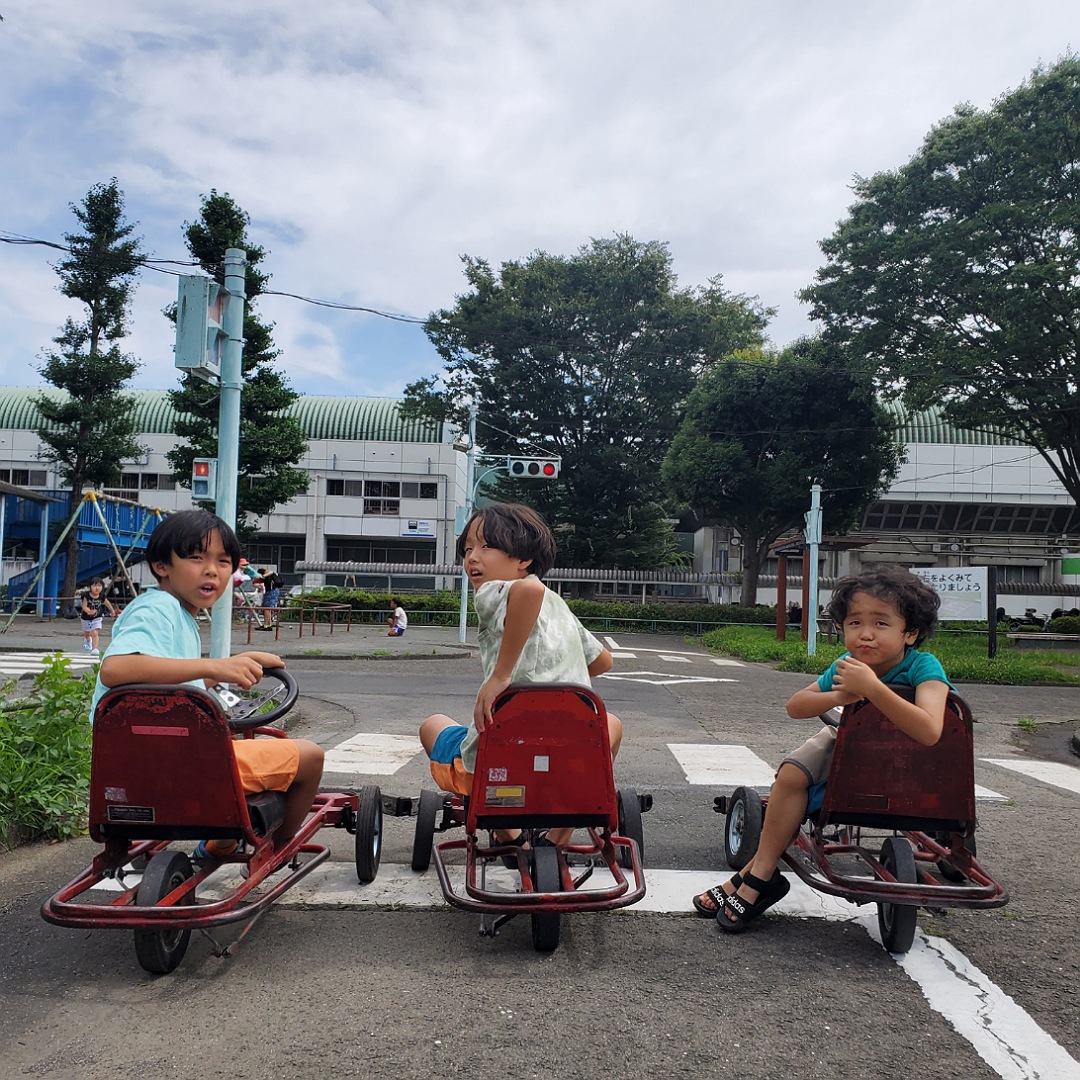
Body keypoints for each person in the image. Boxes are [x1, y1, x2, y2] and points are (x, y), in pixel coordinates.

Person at [692, 564, 951, 932]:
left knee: (797, 781)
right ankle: (762, 872)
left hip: (910, 762)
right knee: (792, 773)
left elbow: (928, 730)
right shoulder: (847, 666)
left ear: (909, 633)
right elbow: (796, 706)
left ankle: (749, 881)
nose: (866, 634)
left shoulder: (923, 666)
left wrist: (874, 689)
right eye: (855, 623)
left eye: (881, 624)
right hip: (853, 751)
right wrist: (845, 692)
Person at [89, 510, 325, 857]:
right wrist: (217, 665)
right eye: (196, 558)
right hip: (186, 768)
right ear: (161, 566)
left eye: (223, 561)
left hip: (142, 768)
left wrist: (223, 670)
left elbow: (168, 679)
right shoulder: (157, 608)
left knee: (237, 744)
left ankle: (222, 843)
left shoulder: (176, 613)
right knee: (311, 757)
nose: (212, 569)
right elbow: (116, 669)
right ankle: (276, 849)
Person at [418, 502, 621, 849]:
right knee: (611, 724)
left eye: (486, 546)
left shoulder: (496, 592)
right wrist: (558, 669)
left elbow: (530, 590)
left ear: (522, 560)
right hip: (566, 755)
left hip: (503, 753)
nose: (472, 557)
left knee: (432, 725)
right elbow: (603, 662)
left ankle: (508, 836)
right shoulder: (561, 608)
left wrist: (501, 674)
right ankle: (559, 836)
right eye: (468, 549)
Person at [79, 578, 117, 655]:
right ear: (90, 587)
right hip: (86, 618)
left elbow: (107, 603)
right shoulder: (86, 595)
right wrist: (89, 611)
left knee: (95, 632)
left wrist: (112, 610)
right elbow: (84, 606)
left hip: (97, 617)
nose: (97, 588)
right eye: (94, 586)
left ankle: (95, 648)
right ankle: (88, 640)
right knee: (87, 633)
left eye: (99, 586)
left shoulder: (102, 596)